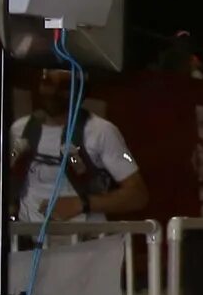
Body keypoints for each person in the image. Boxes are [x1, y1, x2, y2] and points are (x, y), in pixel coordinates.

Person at [10, 63, 150, 224]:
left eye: (64, 86)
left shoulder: (102, 131)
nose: (53, 92)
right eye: (48, 83)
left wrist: (81, 204)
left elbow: (137, 195)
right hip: (31, 243)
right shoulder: (20, 129)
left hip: (85, 243)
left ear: (80, 91)